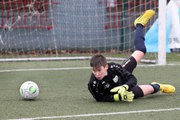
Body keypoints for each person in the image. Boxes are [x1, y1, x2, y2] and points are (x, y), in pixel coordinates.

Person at [88, 9, 175, 102]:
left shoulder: (113, 67)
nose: (96, 74)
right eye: (94, 71)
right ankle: (158, 86)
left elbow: (132, 79)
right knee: (151, 89)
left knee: (141, 50)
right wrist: (117, 97)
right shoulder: (93, 83)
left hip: (125, 84)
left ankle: (139, 24)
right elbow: (99, 97)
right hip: (125, 92)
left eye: (99, 70)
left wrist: (124, 86)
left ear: (106, 67)